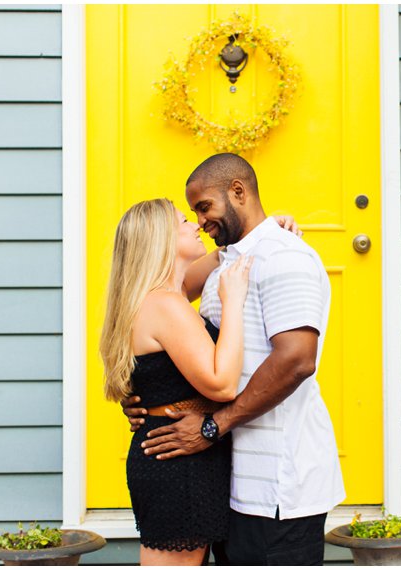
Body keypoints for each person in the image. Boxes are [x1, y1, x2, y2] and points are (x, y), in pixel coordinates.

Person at [122, 153, 345, 565]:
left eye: (204, 208)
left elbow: (297, 361)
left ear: (237, 192)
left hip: (277, 485)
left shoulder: (284, 257)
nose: (200, 222)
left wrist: (212, 425)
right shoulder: (225, 263)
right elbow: (150, 302)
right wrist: (147, 398)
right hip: (226, 479)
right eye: (190, 215)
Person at [100, 198, 251, 565]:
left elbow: (220, 256)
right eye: (184, 221)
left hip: (175, 453)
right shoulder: (164, 304)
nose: (195, 225)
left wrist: (264, 229)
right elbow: (222, 385)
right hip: (177, 461)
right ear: (161, 239)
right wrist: (232, 303)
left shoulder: (163, 297)